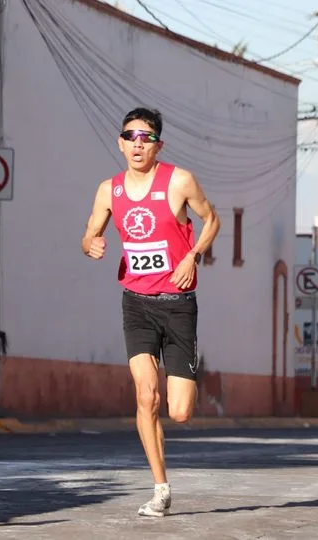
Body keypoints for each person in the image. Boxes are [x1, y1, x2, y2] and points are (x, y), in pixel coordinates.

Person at [80, 107, 220, 517]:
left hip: (178, 307)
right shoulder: (110, 190)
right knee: (146, 395)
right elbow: (89, 233)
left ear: (158, 144)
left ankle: (190, 367)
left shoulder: (179, 181)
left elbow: (211, 219)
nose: (138, 143)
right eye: (131, 136)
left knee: (179, 411)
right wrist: (90, 244)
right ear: (120, 143)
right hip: (137, 304)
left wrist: (193, 255)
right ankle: (160, 488)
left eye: (147, 137)